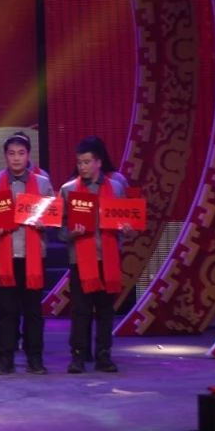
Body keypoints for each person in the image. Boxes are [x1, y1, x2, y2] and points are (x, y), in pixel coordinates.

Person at [59, 136, 133, 374]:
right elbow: (59, 231)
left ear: (98, 162)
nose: (82, 167)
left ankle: (104, 356)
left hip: (108, 259)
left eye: (87, 162)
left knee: (105, 311)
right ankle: (78, 356)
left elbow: (125, 222)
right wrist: (72, 233)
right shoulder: (68, 190)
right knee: (80, 311)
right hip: (80, 260)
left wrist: (127, 230)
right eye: (79, 162)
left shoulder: (117, 188)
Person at [0, 132, 53, 375]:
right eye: (11, 153)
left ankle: (35, 358)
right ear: (5, 156)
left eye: (21, 153)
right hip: (5, 256)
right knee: (6, 312)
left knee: (33, 311)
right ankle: (5, 359)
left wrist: (46, 222)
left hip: (33, 256)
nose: (16, 158)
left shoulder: (42, 183)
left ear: (28, 155)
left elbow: (53, 214)